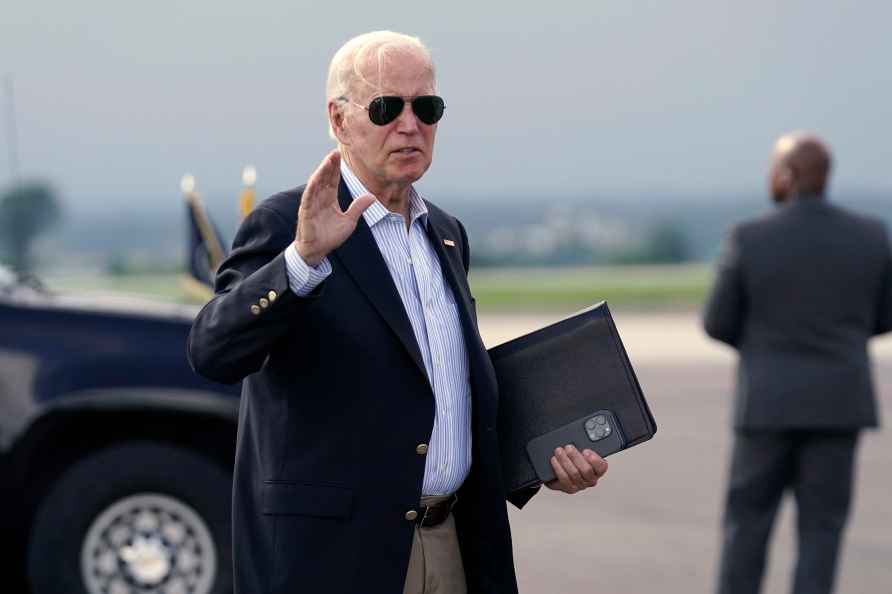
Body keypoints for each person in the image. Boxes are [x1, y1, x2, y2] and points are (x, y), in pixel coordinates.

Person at [188, 31, 608, 594]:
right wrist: (302, 260)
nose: (410, 125)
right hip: (337, 559)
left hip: (454, 540)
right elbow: (212, 350)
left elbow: (446, 390)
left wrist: (541, 463)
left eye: (426, 107)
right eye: (387, 108)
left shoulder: (446, 234)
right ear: (338, 121)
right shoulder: (290, 222)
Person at [703, 131, 892, 594]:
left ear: (787, 175)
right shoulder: (871, 234)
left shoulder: (748, 237)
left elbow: (716, 321)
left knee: (746, 527)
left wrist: (764, 350)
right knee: (821, 533)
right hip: (839, 405)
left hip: (766, 407)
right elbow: (885, 317)